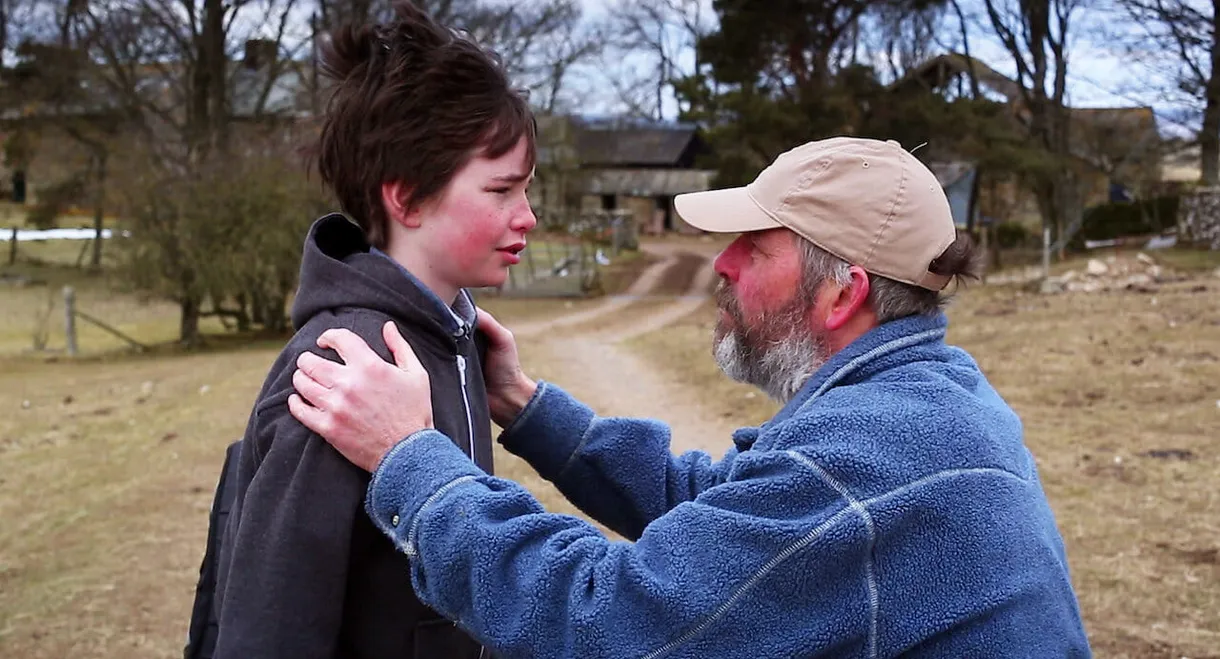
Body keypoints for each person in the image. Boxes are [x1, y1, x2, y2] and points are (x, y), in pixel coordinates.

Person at [286, 137, 1094, 658]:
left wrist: (411, 462)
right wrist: (529, 406)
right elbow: (723, 510)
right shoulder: (927, 395)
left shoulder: (861, 465)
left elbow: (609, 620)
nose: (722, 265)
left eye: (755, 245)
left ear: (842, 294)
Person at [208, 2, 536, 657]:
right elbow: (270, 630)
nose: (527, 216)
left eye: (528, 189)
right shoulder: (342, 368)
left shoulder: (458, 342)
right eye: (502, 191)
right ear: (407, 196)